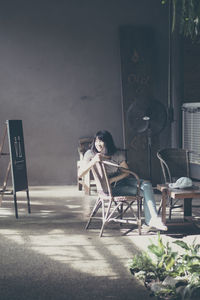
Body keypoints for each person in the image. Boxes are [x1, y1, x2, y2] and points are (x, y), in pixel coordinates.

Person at [78, 130, 167, 231]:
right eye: (96, 141)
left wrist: (113, 179)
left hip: (120, 181)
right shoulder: (90, 154)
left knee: (147, 185)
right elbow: (80, 174)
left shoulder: (116, 154)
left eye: (101, 141)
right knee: (144, 192)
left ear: (108, 142)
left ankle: (152, 220)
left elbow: (127, 172)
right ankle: (150, 220)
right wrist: (93, 161)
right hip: (109, 189)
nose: (98, 144)